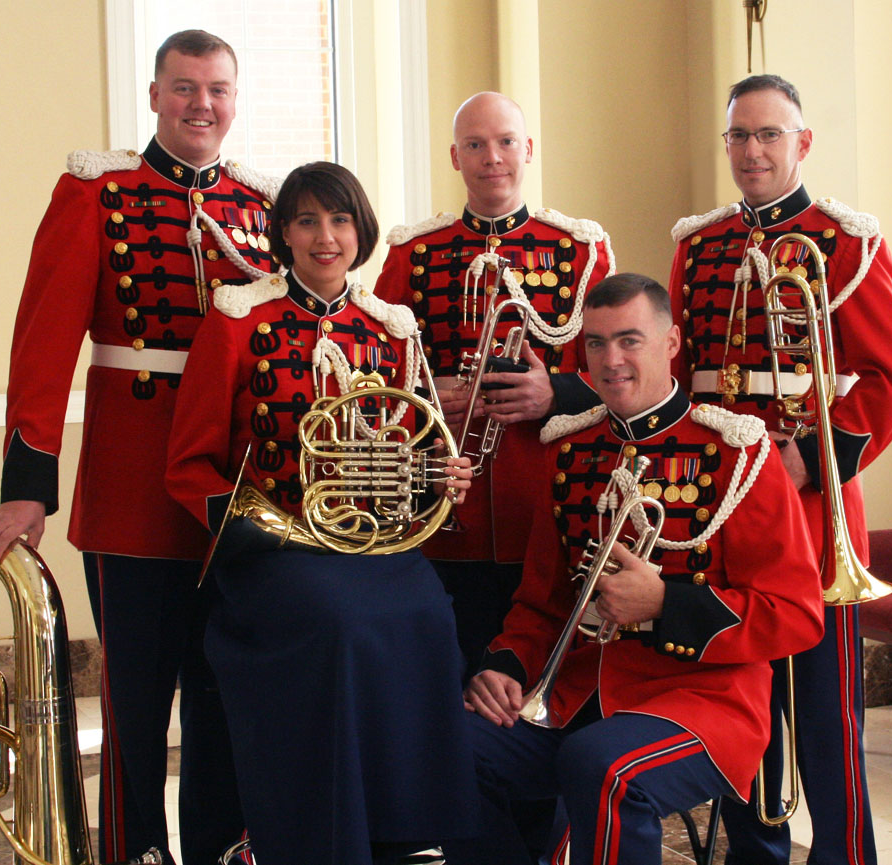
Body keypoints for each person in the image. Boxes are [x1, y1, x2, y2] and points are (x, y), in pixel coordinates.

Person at [0, 30, 281, 865]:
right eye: (184, 88)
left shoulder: (263, 206)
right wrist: (27, 484)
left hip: (233, 486)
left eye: (217, 90)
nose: (201, 105)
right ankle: (134, 850)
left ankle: (223, 847)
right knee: (137, 698)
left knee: (225, 688)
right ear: (154, 96)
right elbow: (42, 344)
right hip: (133, 486)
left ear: (234, 100)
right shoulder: (97, 193)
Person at [449, 273, 825, 865]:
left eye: (630, 340)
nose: (611, 360)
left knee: (603, 767)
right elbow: (542, 603)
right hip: (577, 693)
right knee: (445, 745)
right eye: (596, 344)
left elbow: (796, 615)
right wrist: (504, 665)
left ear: (671, 343)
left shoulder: (738, 452)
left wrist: (666, 604)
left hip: (706, 701)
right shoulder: (569, 449)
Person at [165, 161, 480, 865]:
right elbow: (188, 463)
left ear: (360, 229)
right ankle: (327, 836)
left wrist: (439, 475)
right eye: (307, 221)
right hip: (276, 551)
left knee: (432, 615)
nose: (325, 237)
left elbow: (412, 449)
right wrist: (252, 529)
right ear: (283, 232)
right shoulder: (238, 319)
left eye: (339, 220)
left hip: (373, 545)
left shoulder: (391, 327)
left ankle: (410, 832)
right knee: (337, 622)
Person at [667, 75, 892, 865]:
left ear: (802, 142)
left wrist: (809, 459)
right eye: (739, 136)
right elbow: (682, 376)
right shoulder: (698, 246)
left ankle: (845, 855)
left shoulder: (844, 241)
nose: (752, 151)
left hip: (814, 512)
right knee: (743, 703)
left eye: (768, 134)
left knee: (826, 713)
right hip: (723, 509)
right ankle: (757, 852)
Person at [374, 91, 614, 684]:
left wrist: (555, 393)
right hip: (442, 507)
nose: (492, 157)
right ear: (455, 157)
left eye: (506, 142)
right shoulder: (413, 253)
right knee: (445, 678)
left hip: (546, 499)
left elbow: (622, 374)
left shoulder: (580, 251)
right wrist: (427, 397)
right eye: (475, 145)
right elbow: (373, 371)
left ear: (528, 149)